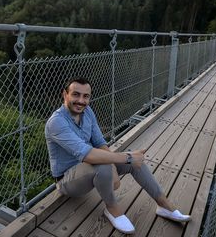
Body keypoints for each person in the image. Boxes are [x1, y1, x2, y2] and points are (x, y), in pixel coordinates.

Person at [45, 77, 191, 234]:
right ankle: (112, 209)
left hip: (89, 167)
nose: (81, 100)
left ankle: (164, 205)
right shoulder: (56, 122)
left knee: (132, 163)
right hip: (67, 180)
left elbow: (100, 143)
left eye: (86, 96)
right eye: (75, 94)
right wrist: (127, 157)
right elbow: (87, 155)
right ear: (65, 94)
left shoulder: (87, 112)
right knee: (111, 163)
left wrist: (117, 165)